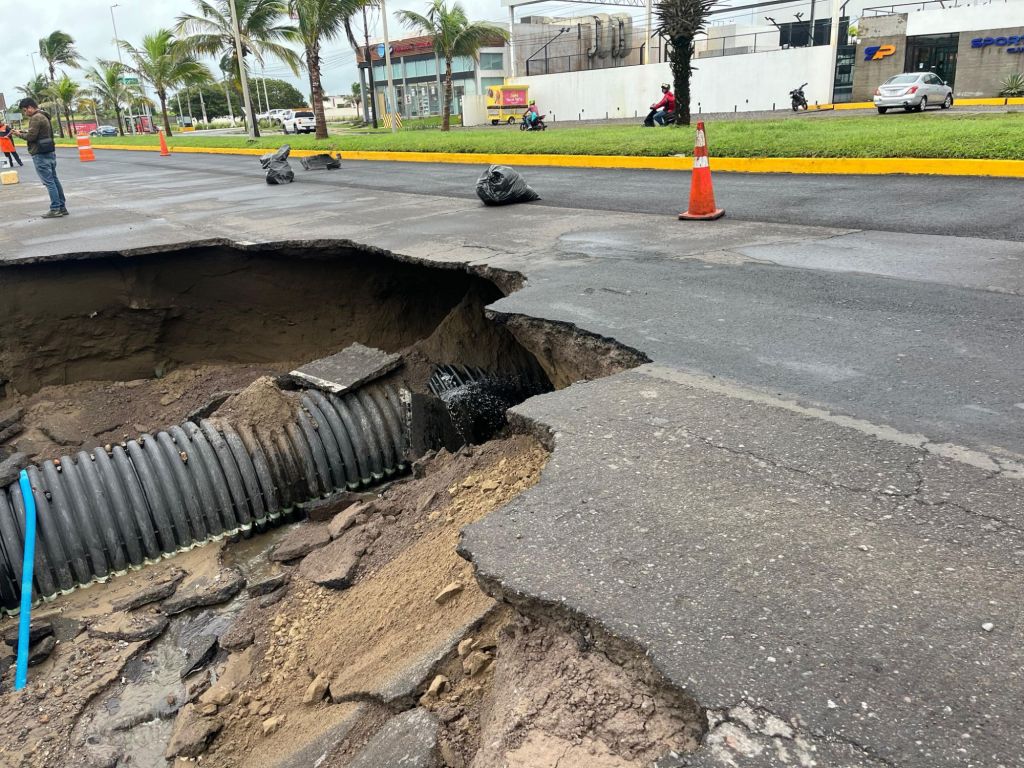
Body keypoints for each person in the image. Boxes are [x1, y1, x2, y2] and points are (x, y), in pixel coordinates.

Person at [13, 98, 67, 219]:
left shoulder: (35, 117)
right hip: (49, 151)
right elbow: (39, 133)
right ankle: (62, 207)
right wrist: (23, 131)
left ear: (30, 107)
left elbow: (31, 137)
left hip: (40, 153)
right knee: (54, 180)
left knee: (49, 182)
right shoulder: (44, 115)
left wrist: (19, 134)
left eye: (25, 110)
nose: (25, 113)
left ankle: (55, 209)